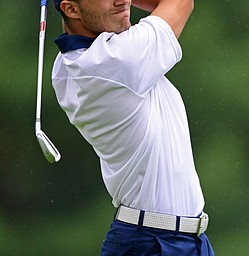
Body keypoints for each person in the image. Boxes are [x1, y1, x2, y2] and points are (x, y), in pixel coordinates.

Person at [51, 0, 215, 255]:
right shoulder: (114, 61)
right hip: (153, 243)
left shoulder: (69, 65)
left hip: (180, 239)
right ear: (71, 9)